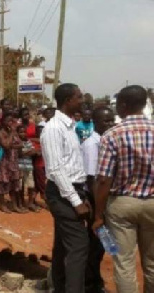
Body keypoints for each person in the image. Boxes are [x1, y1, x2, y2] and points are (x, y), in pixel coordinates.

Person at [93, 85, 154, 293]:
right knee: (152, 263)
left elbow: (103, 179)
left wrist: (98, 215)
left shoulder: (112, 135)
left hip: (122, 204)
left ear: (124, 105)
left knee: (125, 263)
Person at [41, 83, 90, 293]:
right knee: (79, 246)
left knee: (63, 245)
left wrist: (82, 193)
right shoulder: (53, 129)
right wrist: (76, 201)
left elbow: (73, 164)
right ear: (68, 100)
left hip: (73, 190)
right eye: (79, 97)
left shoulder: (70, 126)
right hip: (62, 194)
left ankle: (59, 286)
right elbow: (56, 169)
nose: (82, 100)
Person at [81, 106, 115, 293]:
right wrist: (98, 211)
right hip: (95, 199)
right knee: (95, 243)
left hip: (102, 198)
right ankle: (90, 283)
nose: (110, 124)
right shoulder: (92, 144)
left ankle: (94, 279)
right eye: (106, 121)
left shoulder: (105, 141)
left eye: (111, 120)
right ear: (95, 122)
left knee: (100, 244)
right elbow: (92, 178)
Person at [0, 113, 23, 213]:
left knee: (14, 184)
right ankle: (1, 205)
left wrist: (12, 144)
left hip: (14, 161)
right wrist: (12, 133)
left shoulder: (13, 132)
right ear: (3, 122)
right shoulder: (1, 133)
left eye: (11, 121)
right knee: (2, 183)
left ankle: (14, 205)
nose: (10, 123)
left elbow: (21, 144)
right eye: (8, 121)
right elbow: (6, 145)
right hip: (5, 161)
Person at [17, 124, 37, 212]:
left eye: (24, 132)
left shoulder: (28, 141)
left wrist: (25, 152)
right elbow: (19, 154)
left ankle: (30, 203)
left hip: (29, 167)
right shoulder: (17, 142)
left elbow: (34, 152)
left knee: (31, 186)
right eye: (21, 132)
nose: (23, 134)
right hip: (19, 167)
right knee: (20, 187)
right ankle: (21, 203)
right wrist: (28, 152)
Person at [29, 125, 47, 210]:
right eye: (39, 131)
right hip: (38, 165)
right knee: (42, 185)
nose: (41, 133)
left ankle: (31, 202)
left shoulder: (45, 141)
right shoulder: (33, 143)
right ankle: (48, 203)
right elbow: (35, 153)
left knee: (37, 186)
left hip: (45, 166)